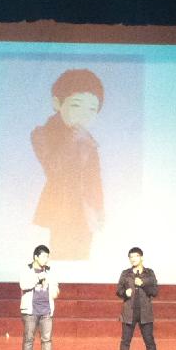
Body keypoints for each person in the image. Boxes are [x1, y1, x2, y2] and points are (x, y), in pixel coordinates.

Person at [30, 69, 105, 260]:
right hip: (60, 208)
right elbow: (53, 168)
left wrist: (99, 209)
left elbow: (95, 178)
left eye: (92, 109)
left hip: (85, 211)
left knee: (82, 258)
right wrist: (73, 139)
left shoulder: (87, 139)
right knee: (59, 257)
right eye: (76, 105)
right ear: (57, 103)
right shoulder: (42, 134)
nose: (84, 115)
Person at [115, 247, 159, 350]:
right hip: (129, 312)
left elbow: (155, 291)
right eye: (131, 257)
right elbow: (118, 291)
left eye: (136, 256)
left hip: (145, 312)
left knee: (149, 341)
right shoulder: (125, 273)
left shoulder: (149, 273)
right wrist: (125, 293)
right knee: (125, 341)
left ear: (141, 257)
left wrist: (143, 283)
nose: (133, 259)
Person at [19, 244, 60, 350]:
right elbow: (23, 285)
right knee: (29, 338)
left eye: (47, 256)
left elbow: (55, 287)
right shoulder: (27, 270)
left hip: (46, 309)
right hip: (31, 310)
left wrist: (55, 291)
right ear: (36, 257)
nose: (46, 259)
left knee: (47, 339)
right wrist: (38, 278)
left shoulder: (50, 271)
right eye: (43, 256)